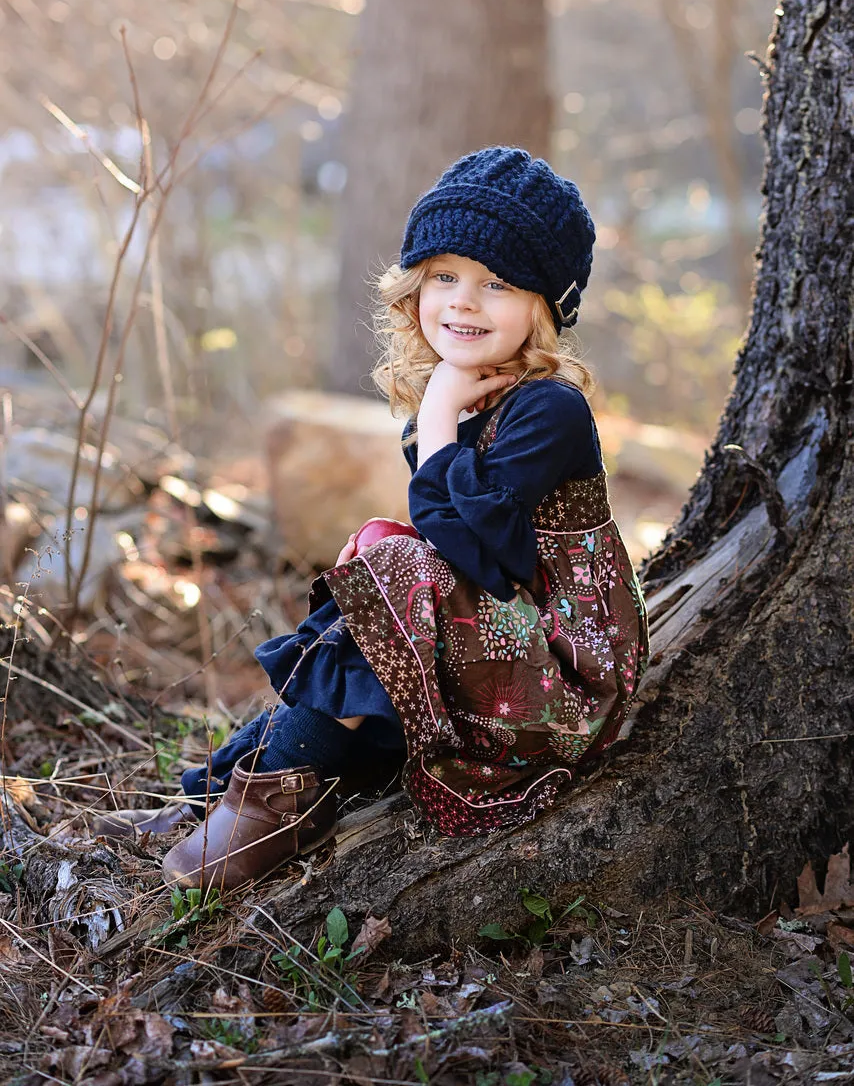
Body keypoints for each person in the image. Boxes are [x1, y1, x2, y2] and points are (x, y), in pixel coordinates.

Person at [109, 147, 649, 891]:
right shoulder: (471, 399)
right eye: (444, 277)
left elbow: (485, 558)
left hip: (566, 671)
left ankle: (270, 807)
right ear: (415, 288)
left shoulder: (549, 408)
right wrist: (438, 420)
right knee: (379, 565)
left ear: (545, 304)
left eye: (496, 283)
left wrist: (434, 423)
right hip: (498, 645)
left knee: (395, 564)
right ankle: (223, 788)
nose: (463, 301)